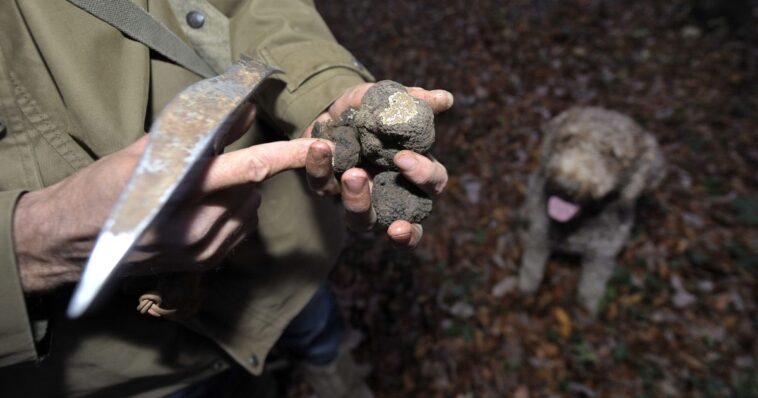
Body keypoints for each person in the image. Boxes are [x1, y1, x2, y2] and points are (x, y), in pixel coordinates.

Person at [0, 0, 451, 397]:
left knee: (316, 330)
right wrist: (33, 242)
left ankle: (335, 373)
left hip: (279, 247)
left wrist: (321, 88)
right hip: (122, 369)